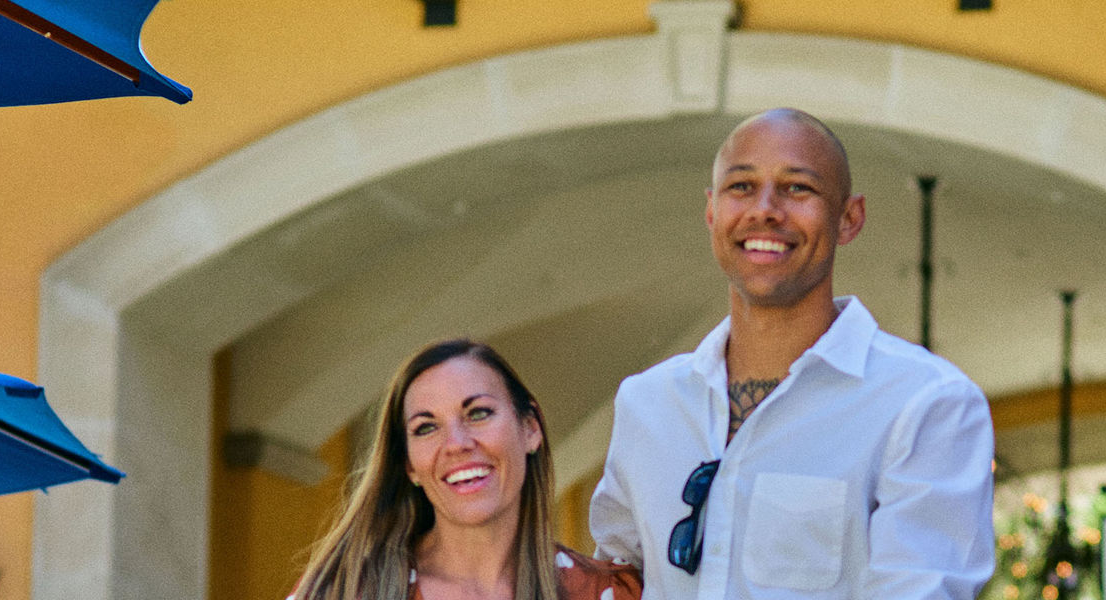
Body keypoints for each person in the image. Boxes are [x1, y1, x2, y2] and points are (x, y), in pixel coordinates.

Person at [588, 108, 997, 599]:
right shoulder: (646, 403)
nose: (765, 209)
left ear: (849, 218)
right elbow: (619, 578)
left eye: (797, 188)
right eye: (741, 186)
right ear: (712, 211)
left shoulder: (927, 405)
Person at [291, 339, 640, 600]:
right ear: (409, 465)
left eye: (479, 413)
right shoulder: (345, 591)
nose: (456, 443)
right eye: (426, 427)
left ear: (530, 428)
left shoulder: (607, 593)